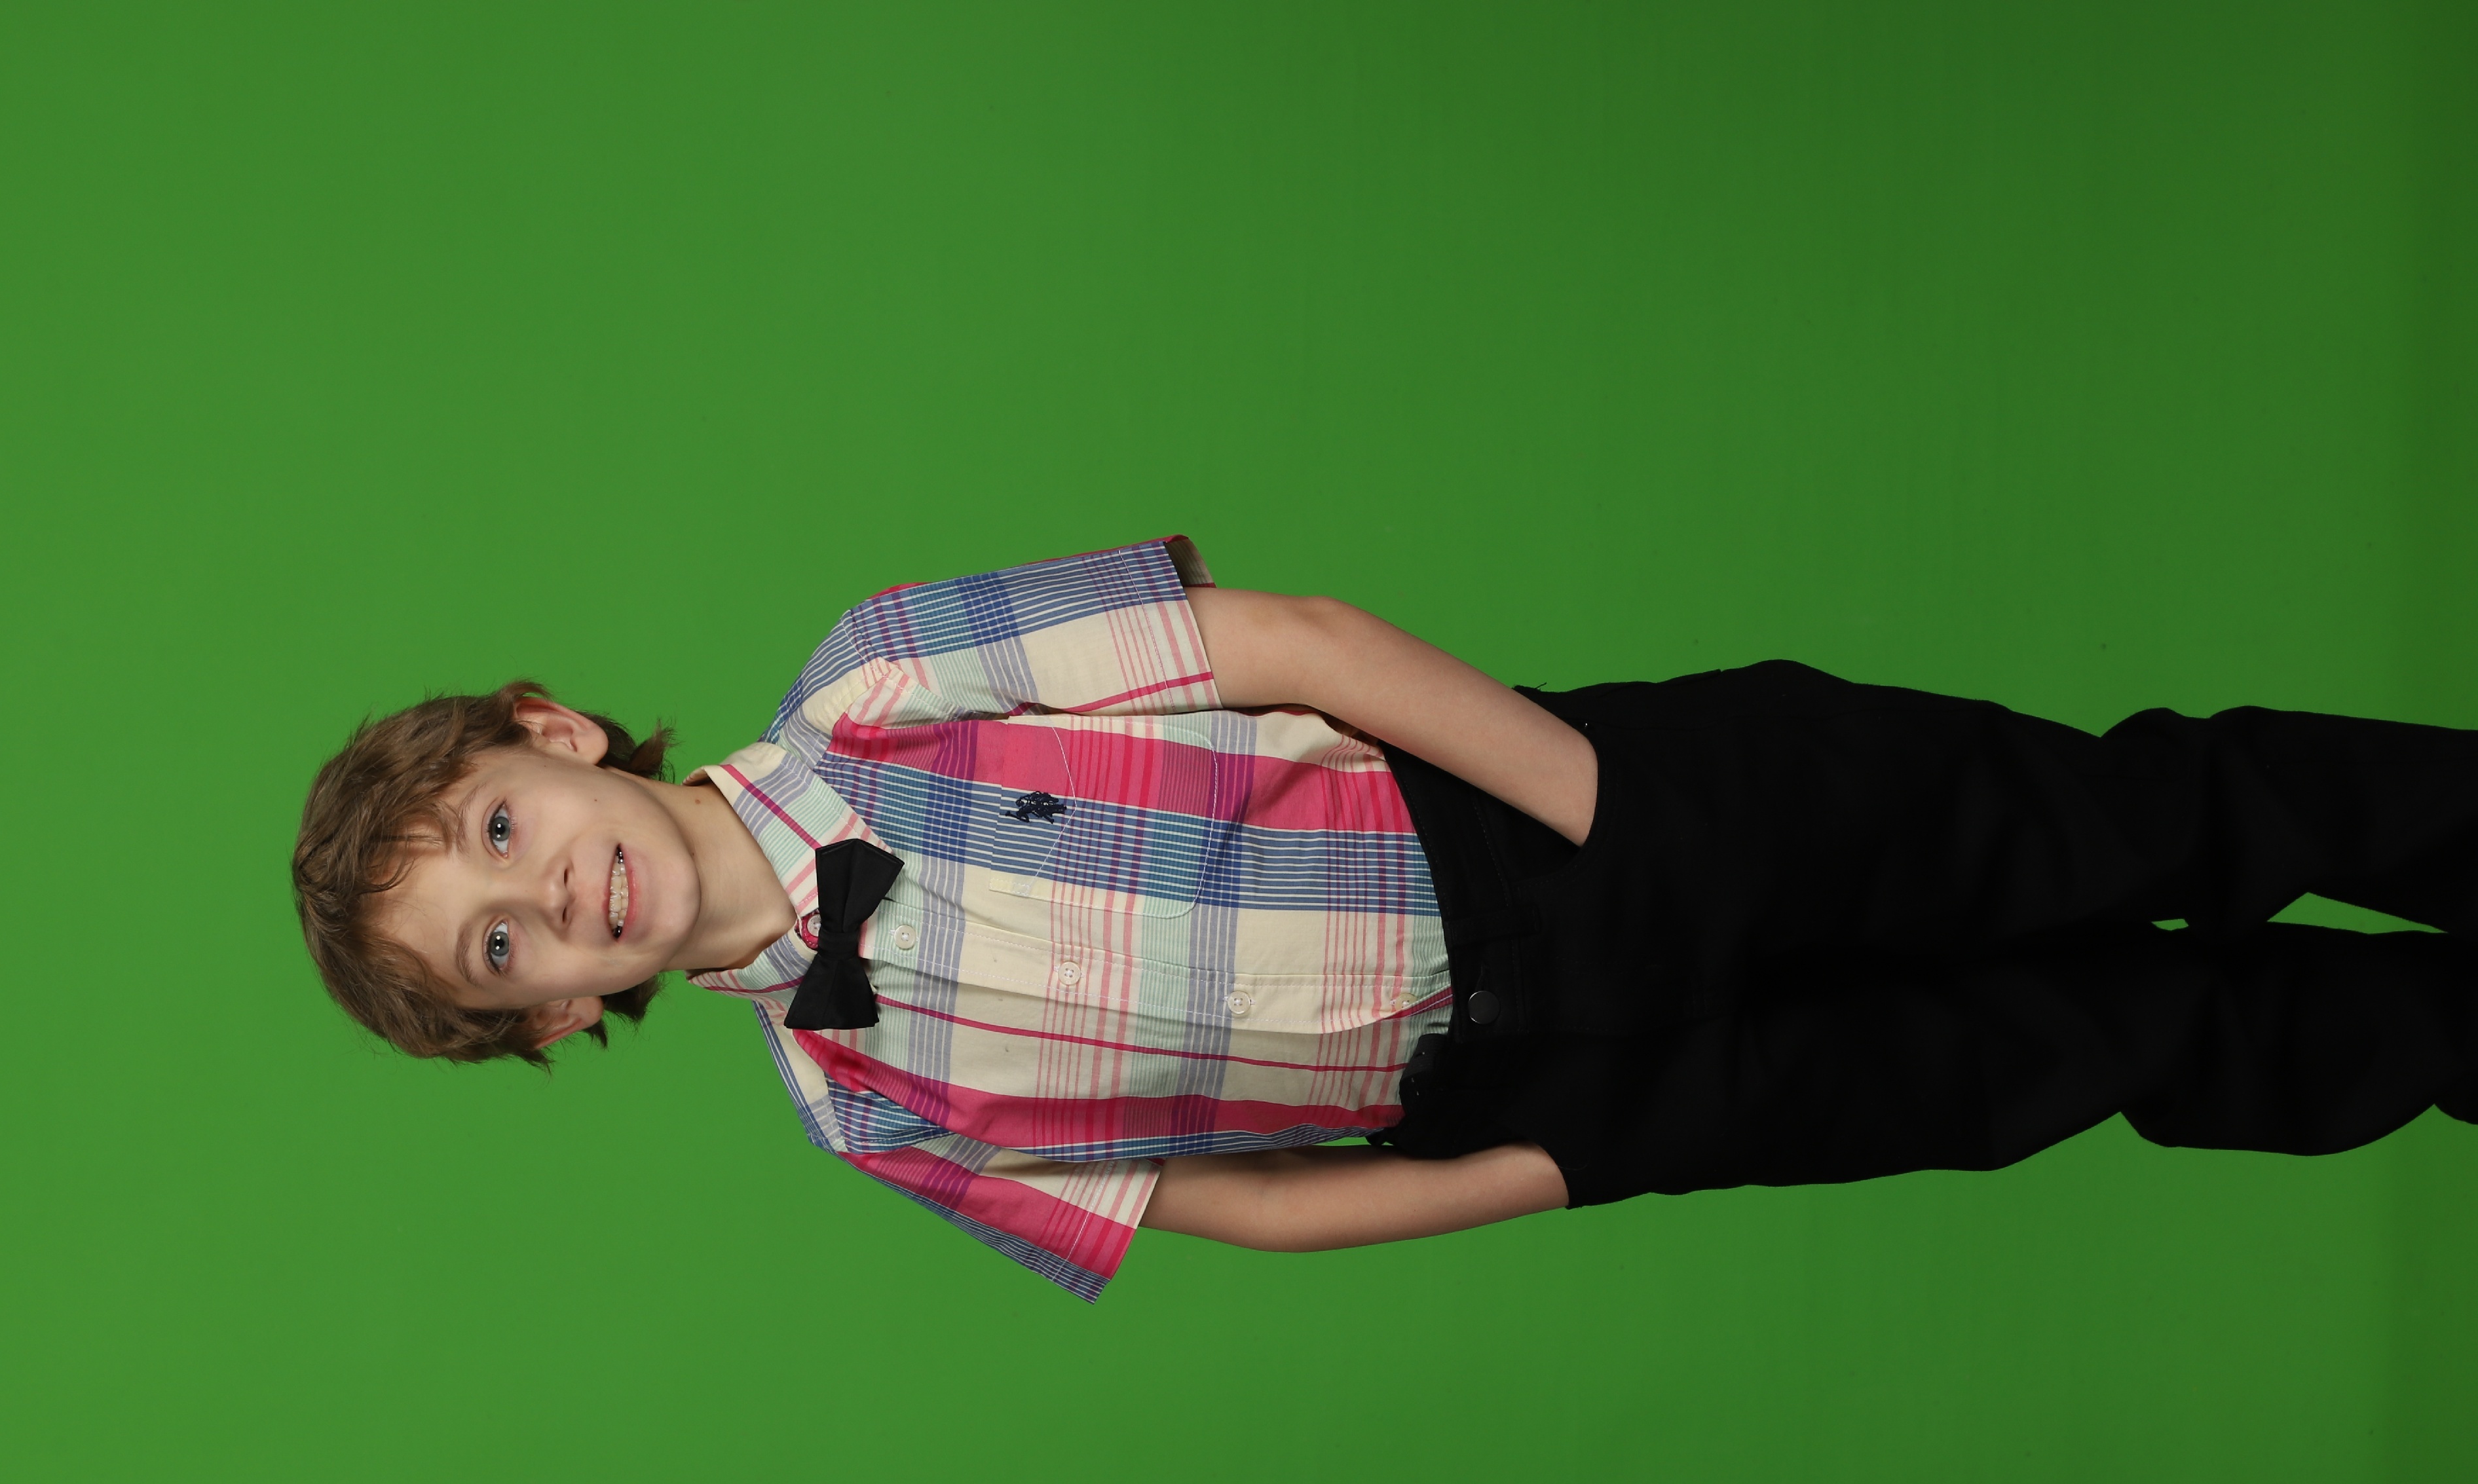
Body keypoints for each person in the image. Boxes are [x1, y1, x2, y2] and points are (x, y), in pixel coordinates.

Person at [291, 538, 2478, 1299]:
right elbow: (1232, 1206)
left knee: (2098, 829)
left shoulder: (881, 675)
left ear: (551, 732)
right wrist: (1556, 1160)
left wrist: (1601, 806)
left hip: (1545, 823)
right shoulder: (864, 1111)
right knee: (2052, 1060)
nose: (542, 890)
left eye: (499, 825)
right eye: (501, 945)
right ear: (555, 1019)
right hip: (1540, 1082)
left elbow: (1281, 643)